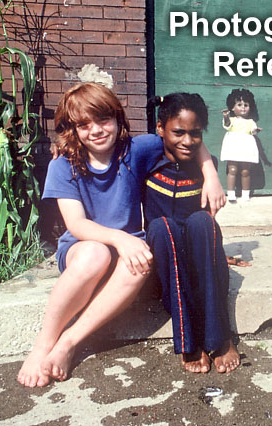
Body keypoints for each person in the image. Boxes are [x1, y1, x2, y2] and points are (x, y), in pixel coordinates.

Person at [17, 83, 224, 388]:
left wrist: (212, 176)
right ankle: (43, 345)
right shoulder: (64, 165)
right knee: (96, 253)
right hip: (82, 250)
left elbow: (187, 137)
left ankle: (68, 343)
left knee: (141, 256)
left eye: (104, 120)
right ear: (71, 129)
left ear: (117, 119)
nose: (96, 131)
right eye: (84, 125)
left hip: (127, 253)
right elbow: (76, 225)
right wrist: (120, 238)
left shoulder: (133, 151)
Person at [143, 93, 240, 374]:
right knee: (162, 227)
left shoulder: (203, 167)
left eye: (195, 134)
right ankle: (189, 342)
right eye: (178, 132)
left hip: (202, 260)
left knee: (202, 222)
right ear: (160, 128)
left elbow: (199, 151)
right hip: (165, 260)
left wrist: (210, 173)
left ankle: (220, 338)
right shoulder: (147, 160)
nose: (187, 141)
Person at [221, 88, 261, 202]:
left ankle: (245, 194)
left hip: (247, 147)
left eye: (246, 105)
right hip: (233, 146)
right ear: (232, 107)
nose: (243, 107)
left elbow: (253, 131)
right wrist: (226, 117)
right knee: (232, 169)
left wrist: (256, 131)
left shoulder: (251, 122)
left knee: (245, 171)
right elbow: (227, 125)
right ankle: (231, 193)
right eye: (239, 104)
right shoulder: (232, 120)